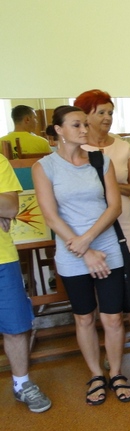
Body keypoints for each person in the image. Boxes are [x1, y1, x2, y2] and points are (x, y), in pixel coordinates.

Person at [33, 105, 130, 404]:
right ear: (59, 130)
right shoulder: (44, 167)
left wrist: (89, 241)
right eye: (76, 125)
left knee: (113, 317)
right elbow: (51, 216)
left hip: (106, 249)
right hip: (72, 253)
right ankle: (96, 375)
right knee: (84, 317)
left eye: (84, 125)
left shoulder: (100, 161)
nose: (84, 129)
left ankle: (116, 373)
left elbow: (114, 207)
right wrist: (83, 249)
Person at [74, 90, 130, 364]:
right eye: (101, 113)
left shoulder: (122, 147)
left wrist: (109, 186)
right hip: (92, 228)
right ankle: (111, 345)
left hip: (123, 224)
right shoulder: (77, 149)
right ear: (85, 116)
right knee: (102, 286)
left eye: (110, 112)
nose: (107, 118)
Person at [0, 153, 52, 412]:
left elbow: (10, 207)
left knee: (16, 326)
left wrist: (3, 207)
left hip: (2, 258)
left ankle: (21, 384)